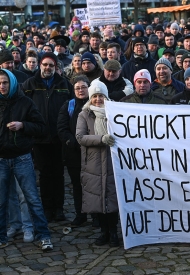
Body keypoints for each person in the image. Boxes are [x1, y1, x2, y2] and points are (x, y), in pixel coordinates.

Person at [0, 68, 53, 251]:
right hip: (1, 159)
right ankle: (3, 235)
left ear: (12, 83)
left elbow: (41, 127)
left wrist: (22, 125)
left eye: (5, 82)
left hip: (21, 157)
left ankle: (43, 235)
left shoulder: (25, 102)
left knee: (31, 198)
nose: (2, 86)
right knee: (2, 199)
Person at [22, 52, 73, 222]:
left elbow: (70, 108)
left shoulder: (64, 84)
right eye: (45, 64)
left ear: (56, 67)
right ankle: (46, 207)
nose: (48, 68)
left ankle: (58, 208)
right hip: (39, 137)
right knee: (44, 175)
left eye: (51, 65)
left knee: (58, 173)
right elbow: (24, 109)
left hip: (58, 137)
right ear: (39, 65)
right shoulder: (30, 84)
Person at [76, 80, 120, 247]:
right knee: (97, 199)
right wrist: (101, 139)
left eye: (101, 96)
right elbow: (80, 137)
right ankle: (104, 232)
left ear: (106, 96)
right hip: (93, 163)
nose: (98, 99)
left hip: (112, 160)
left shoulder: (114, 112)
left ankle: (114, 232)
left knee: (112, 197)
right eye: (94, 96)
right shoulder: (84, 114)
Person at [57, 75, 90, 226]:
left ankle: (96, 215)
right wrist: (74, 142)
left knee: (93, 185)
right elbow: (62, 128)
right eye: (77, 88)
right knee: (77, 186)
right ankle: (80, 214)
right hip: (73, 153)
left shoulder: (95, 103)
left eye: (83, 87)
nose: (81, 90)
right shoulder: (68, 106)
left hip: (93, 153)